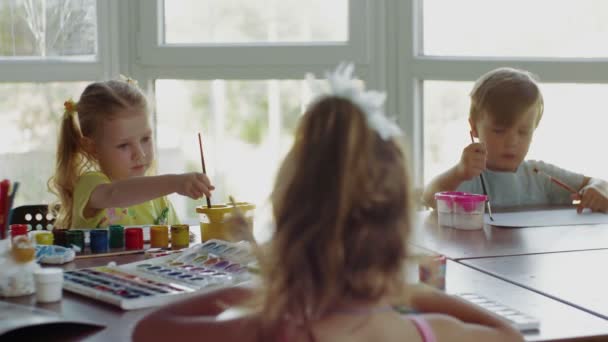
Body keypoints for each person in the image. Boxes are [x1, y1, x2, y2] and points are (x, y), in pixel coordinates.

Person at [133, 64, 523, 342]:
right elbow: (508, 334)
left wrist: (265, 288)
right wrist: (413, 292)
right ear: (397, 233)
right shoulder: (426, 333)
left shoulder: (267, 332)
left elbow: (146, 330)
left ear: (288, 226)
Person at [422, 67, 608, 212]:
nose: (512, 142)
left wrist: (596, 190)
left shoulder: (539, 175)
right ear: (474, 128)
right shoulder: (468, 176)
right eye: (499, 130)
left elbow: (598, 183)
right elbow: (429, 197)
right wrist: (458, 172)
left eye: (523, 132)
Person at [48, 76, 214, 229]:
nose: (140, 154)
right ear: (92, 147)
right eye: (124, 145)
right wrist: (175, 183)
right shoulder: (91, 185)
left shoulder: (158, 197)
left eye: (145, 139)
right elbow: (114, 194)